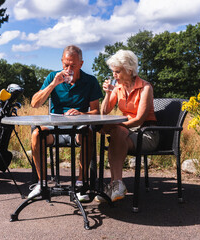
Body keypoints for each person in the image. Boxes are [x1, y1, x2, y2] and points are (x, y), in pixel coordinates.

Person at [29, 45, 103, 200]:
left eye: (73, 66)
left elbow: (96, 112)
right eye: (66, 65)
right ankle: (41, 183)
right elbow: (34, 103)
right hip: (54, 126)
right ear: (61, 61)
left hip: (78, 127)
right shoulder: (52, 77)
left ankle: (81, 183)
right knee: (36, 135)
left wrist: (81, 113)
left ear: (81, 64)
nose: (69, 69)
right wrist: (53, 84)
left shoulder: (90, 81)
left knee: (88, 134)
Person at [98, 49, 159, 202]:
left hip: (147, 133)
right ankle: (116, 184)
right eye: (113, 71)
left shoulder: (145, 87)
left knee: (117, 132)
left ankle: (115, 185)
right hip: (127, 132)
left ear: (130, 70)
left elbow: (139, 119)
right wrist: (106, 94)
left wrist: (117, 125)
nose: (114, 75)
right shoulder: (118, 88)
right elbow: (104, 112)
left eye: (117, 71)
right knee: (112, 132)